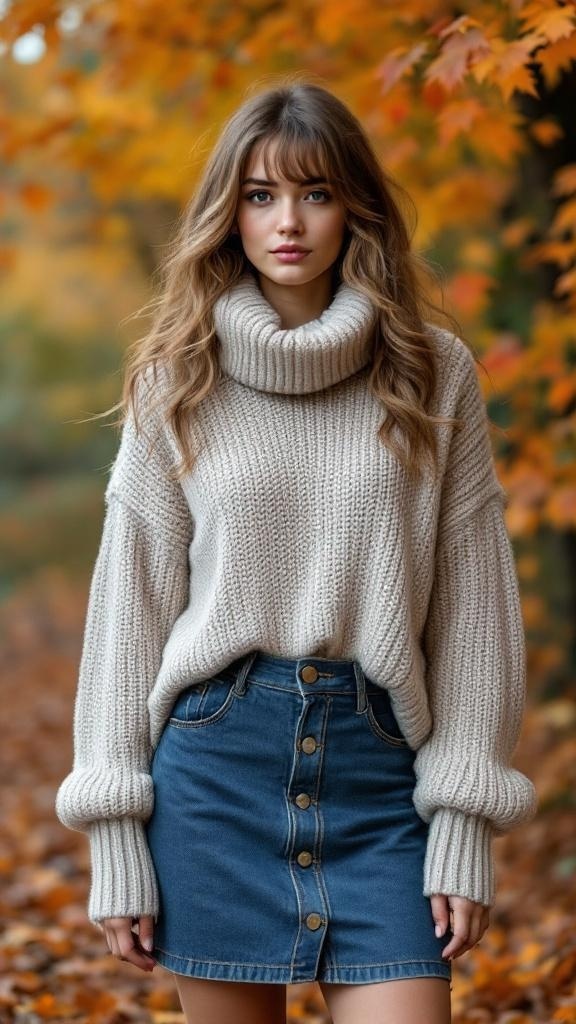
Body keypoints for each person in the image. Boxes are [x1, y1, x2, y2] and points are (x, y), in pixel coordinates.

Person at [55, 78, 538, 1024]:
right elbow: (129, 612)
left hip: (379, 777)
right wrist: (115, 836)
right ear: (227, 211)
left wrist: (464, 823)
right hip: (214, 778)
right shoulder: (176, 378)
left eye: (316, 193)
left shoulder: (433, 372)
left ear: (354, 206)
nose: (289, 222)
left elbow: (475, 612)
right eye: (261, 194)